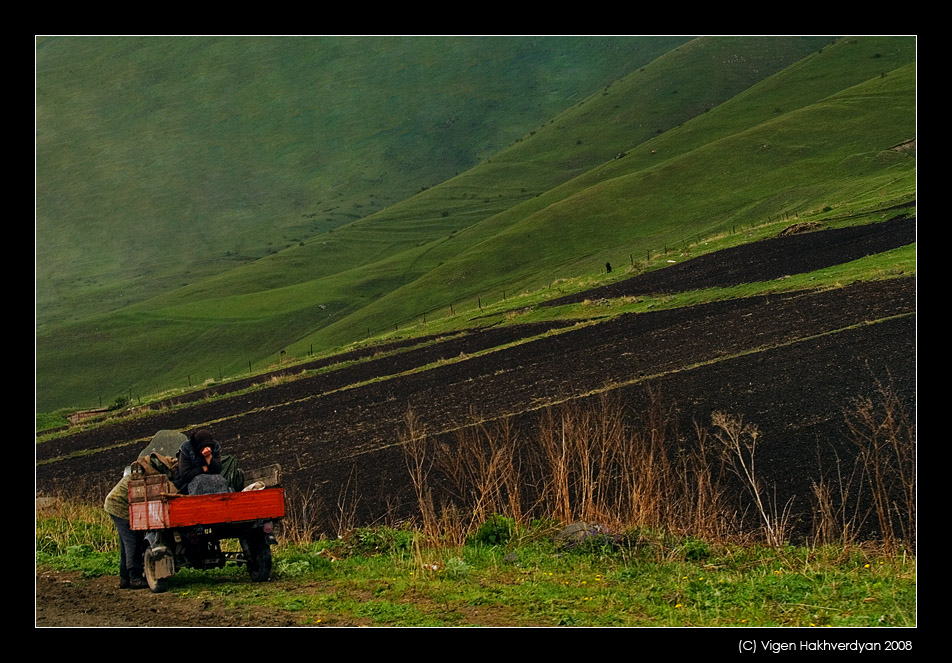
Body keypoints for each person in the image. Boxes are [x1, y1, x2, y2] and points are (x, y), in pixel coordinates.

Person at [103, 466, 147, 589]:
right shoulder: (143, 478)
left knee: (125, 542)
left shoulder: (136, 475)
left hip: (114, 504)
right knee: (131, 542)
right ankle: (135, 578)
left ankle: (124, 578)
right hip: (118, 507)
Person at [174, 428, 229, 494]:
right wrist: (203, 469)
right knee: (200, 482)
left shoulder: (215, 446)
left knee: (220, 481)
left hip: (211, 478)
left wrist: (209, 457)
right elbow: (185, 475)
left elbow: (218, 470)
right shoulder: (186, 448)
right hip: (188, 483)